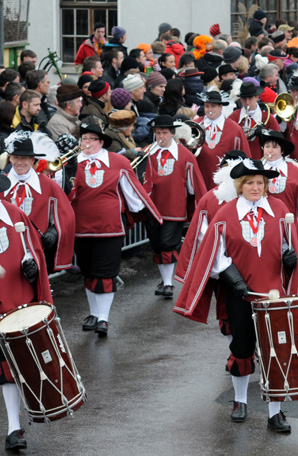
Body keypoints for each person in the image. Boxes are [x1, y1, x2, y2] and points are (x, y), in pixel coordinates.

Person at [175, 158, 298, 432]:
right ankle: (240, 401)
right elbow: (214, 253)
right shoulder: (226, 213)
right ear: (240, 186)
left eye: (260, 183)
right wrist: (234, 278)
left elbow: (287, 243)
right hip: (240, 294)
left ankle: (275, 412)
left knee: (275, 353)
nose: (255, 187)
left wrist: (290, 259)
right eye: (249, 183)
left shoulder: (279, 210)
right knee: (241, 349)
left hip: (273, 297)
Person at [68, 122, 162, 338]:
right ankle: (93, 314)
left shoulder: (118, 161)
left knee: (105, 273)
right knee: (88, 272)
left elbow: (132, 189)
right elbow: (64, 192)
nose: (87, 143)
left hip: (110, 227)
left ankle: (103, 318)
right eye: (84, 138)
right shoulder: (73, 163)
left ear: (101, 142)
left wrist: (145, 212)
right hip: (81, 228)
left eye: (92, 139)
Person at [0, 173, 54, 451]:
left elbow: (32, 251)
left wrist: (31, 267)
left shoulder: (14, 214)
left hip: (14, 302)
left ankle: (13, 428)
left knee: (8, 368)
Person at [142, 115, 206, 297]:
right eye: (158, 133)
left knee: (167, 244)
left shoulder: (184, 154)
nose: (161, 137)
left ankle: (169, 283)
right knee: (157, 245)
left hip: (174, 207)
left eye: (164, 133)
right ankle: (165, 280)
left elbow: (194, 185)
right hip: (153, 207)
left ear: (172, 134)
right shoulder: (149, 153)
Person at [1, 132, 75, 272]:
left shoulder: (47, 184)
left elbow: (66, 215)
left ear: (32, 160)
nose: (19, 162)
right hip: (6, 251)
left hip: (36, 251)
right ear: (10, 158)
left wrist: (53, 232)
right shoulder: (2, 184)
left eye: (24, 158)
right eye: (15, 157)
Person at [197, 90, 249, 189]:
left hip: (227, 183)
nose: (209, 109)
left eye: (213, 106)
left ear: (221, 107)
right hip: (201, 179)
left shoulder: (235, 129)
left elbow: (245, 157)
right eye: (207, 106)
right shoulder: (195, 125)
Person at [229, 82, 279, 160]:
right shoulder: (234, 117)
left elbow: (278, 142)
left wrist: (264, 135)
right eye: (244, 99)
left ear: (257, 97)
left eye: (250, 98)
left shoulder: (268, 118)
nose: (247, 102)